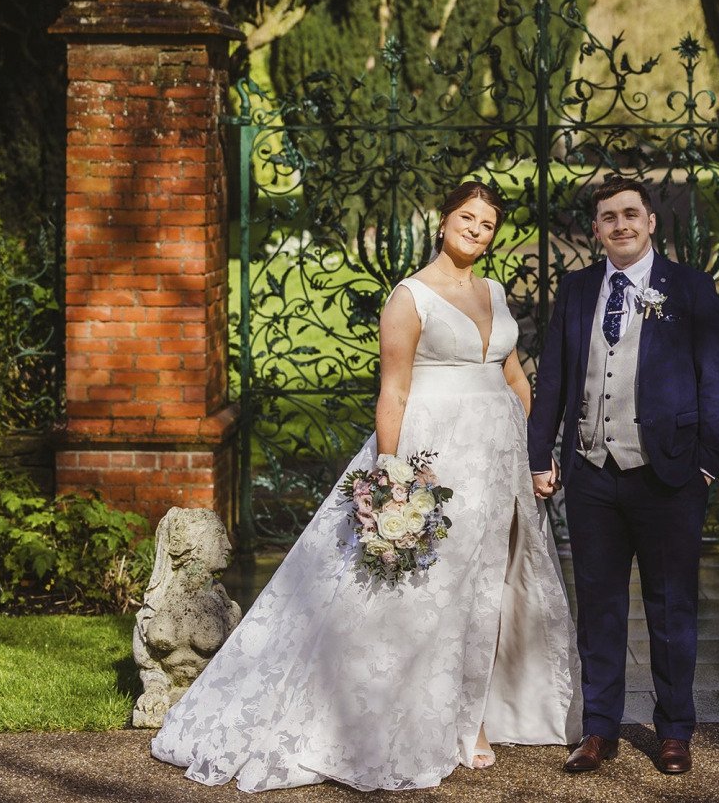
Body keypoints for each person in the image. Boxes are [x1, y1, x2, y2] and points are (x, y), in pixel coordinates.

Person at [152, 182, 582, 793]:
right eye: (467, 218)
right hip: (434, 462)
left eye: (487, 224)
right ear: (444, 221)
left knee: (489, 586)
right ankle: (407, 717)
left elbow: (514, 375)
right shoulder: (409, 298)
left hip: (499, 467)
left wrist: (531, 452)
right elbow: (395, 392)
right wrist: (392, 478)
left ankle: (475, 714)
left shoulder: (493, 292)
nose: (476, 231)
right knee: (424, 589)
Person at [528, 176, 719, 776]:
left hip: (668, 475)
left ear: (650, 223)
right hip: (593, 472)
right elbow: (556, 382)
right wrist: (542, 454)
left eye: (629, 215)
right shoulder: (576, 289)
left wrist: (705, 463)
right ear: (596, 230)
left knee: (671, 608)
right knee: (598, 608)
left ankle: (674, 730)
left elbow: (715, 380)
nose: (620, 225)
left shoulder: (689, 289)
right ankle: (598, 729)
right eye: (607, 218)